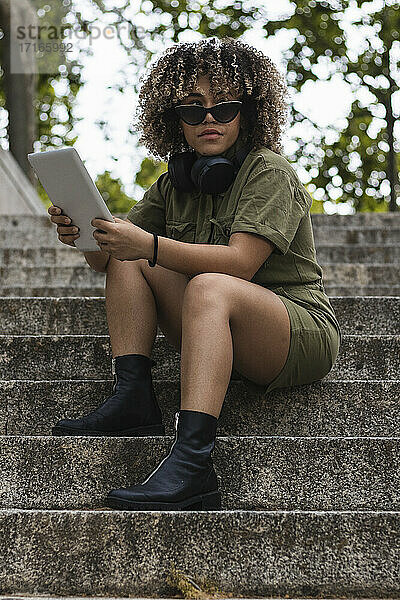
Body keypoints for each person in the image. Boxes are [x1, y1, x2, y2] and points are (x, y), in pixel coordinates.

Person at [48, 37, 342, 512]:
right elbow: (113, 261)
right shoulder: (174, 182)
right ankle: (134, 400)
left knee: (206, 283)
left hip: (293, 330)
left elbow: (240, 264)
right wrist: (85, 233)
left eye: (224, 107)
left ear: (248, 113)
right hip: (215, 322)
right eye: (192, 109)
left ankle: (193, 463)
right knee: (132, 258)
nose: (208, 118)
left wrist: (151, 244)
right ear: (173, 120)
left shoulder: (270, 172)